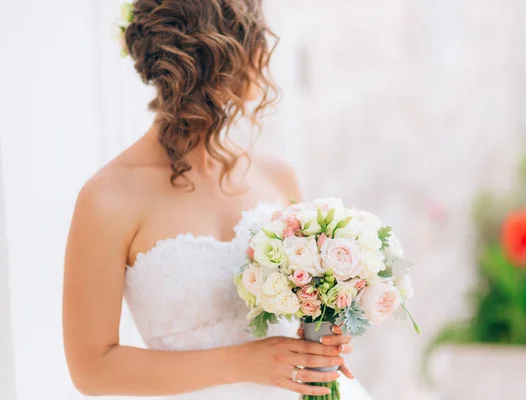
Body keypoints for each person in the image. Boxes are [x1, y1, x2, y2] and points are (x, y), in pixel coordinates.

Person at [62, 1, 373, 398]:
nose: (263, 56)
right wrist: (243, 362)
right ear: (224, 58)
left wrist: (323, 331)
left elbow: (305, 305)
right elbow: (91, 369)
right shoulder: (107, 197)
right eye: (255, 40)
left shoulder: (277, 175)